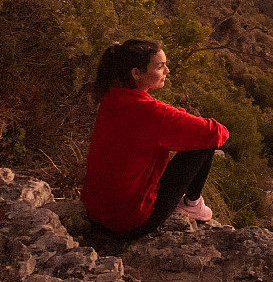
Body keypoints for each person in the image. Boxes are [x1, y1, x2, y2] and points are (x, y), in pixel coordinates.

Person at [81, 40, 229, 238]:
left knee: (196, 134)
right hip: (129, 222)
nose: (167, 70)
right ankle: (192, 203)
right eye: (160, 66)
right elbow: (218, 132)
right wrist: (181, 118)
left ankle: (191, 202)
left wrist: (177, 117)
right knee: (205, 141)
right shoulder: (152, 113)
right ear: (136, 73)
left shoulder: (111, 98)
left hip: (95, 213)